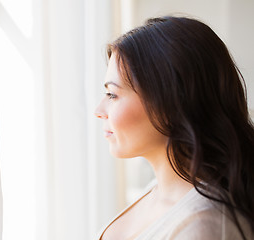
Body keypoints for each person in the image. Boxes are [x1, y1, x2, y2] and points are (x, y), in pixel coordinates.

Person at [95, 16, 254, 240]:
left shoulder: (204, 226)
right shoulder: (160, 191)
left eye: (112, 94)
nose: (99, 110)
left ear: (169, 102)